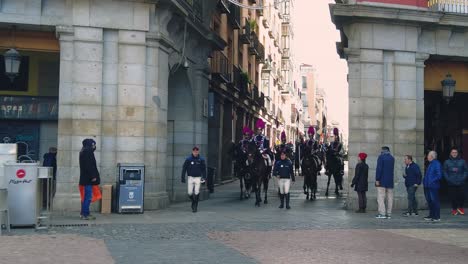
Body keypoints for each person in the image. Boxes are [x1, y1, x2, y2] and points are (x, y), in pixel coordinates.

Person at [79, 139, 100, 220]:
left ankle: (83, 213)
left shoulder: (83, 151)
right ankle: (85, 214)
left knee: (85, 197)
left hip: (85, 178)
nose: (94, 146)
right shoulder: (88, 152)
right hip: (88, 179)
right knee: (88, 197)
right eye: (93, 144)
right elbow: (89, 166)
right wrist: (93, 176)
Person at [181, 146, 206, 213]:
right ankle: (193, 201)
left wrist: (204, 178)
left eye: (197, 151)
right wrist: (182, 177)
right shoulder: (188, 159)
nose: (195, 152)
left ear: (198, 152)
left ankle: (195, 207)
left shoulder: (201, 159)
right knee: (189, 193)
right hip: (190, 178)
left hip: (198, 178)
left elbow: (204, 170)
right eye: (194, 151)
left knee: (197, 192)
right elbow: (184, 169)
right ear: (192, 151)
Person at [443, 147, 468, 216]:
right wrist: (448, 179)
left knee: (462, 196)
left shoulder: (462, 161)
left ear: (457, 153)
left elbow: (466, 171)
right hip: (451, 182)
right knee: (453, 197)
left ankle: (460, 207)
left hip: (461, 182)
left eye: (455, 152)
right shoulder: (447, 162)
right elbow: (445, 172)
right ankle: (454, 209)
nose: (454, 154)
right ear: (450, 153)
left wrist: (463, 178)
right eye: (453, 152)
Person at [375, 146, 395, 219]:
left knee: (380, 197)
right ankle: (389, 213)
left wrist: (377, 179)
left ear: (383, 151)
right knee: (390, 197)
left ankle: (382, 213)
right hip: (390, 181)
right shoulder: (392, 158)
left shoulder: (381, 157)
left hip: (382, 180)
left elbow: (379, 168)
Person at [423, 151, 442, 222]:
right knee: (430, 201)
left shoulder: (436, 164)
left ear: (432, 156)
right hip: (427, 186)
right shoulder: (430, 164)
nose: (427, 156)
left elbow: (439, 175)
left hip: (433, 186)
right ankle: (431, 215)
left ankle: (437, 216)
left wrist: (431, 181)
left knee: (435, 201)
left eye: (428, 155)